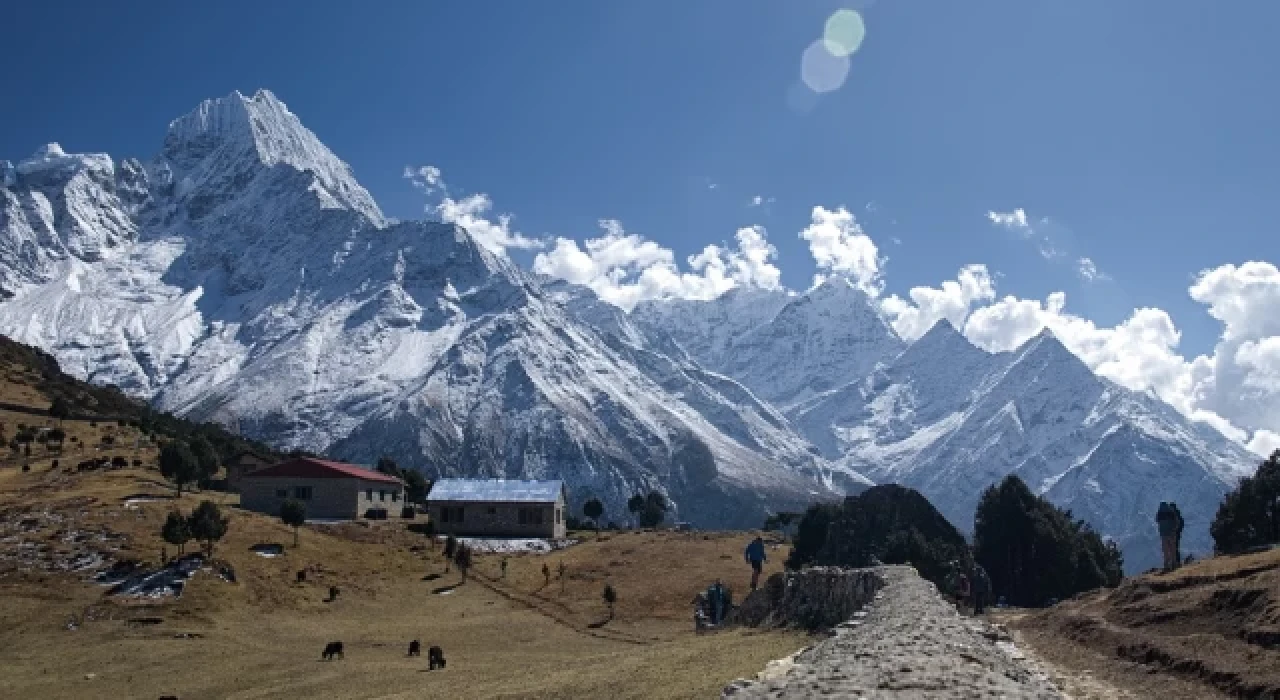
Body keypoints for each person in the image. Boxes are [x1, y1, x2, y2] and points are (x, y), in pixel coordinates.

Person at [1156, 501, 1179, 571]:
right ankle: (1174, 564)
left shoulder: (1159, 513)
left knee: (1166, 551)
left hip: (1163, 535)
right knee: (1172, 549)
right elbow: (1176, 522)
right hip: (1171, 534)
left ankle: (1166, 565)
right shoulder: (1171, 512)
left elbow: (1157, 520)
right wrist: (1174, 530)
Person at [1172, 503, 1185, 570]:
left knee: (1173, 549)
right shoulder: (1178, 515)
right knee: (1176, 548)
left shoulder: (1173, 515)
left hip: (1174, 534)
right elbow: (1182, 524)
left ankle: (1175, 563)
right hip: (1177, 534)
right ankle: (1177, 562)